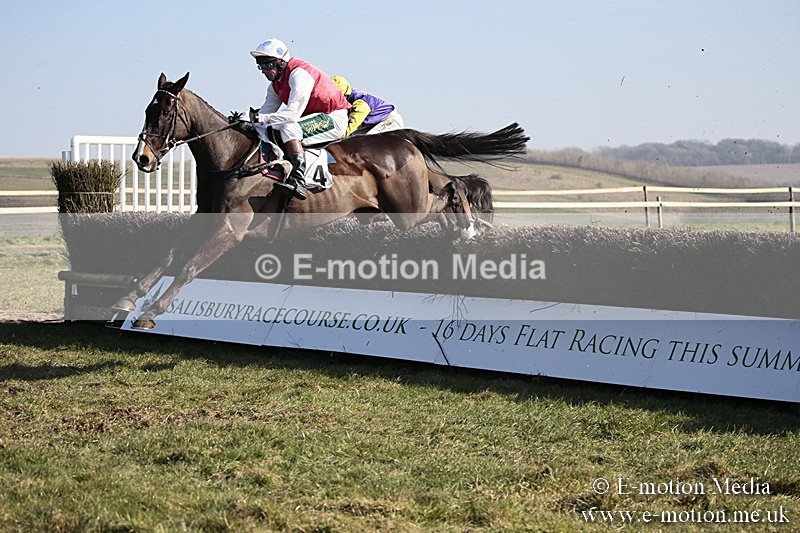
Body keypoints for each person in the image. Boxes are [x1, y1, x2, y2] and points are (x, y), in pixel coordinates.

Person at [243, 38, 350, 200]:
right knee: (264, 127)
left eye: (267, 65)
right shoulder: (275, 85)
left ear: (281, 63)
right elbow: (265, 113)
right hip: (313, 118)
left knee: (288, 128)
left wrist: (258, 118)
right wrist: (247, 120)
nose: (263, 70)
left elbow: (291, 114)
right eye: (260, 66)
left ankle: (298, 179)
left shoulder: (299, 74)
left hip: (334, 117)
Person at [330, 75, 404, 137]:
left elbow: (354, 122)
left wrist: (341, 135)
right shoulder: (350, 99)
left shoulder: (360, 103)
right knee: (352, 139)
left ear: (345, 94)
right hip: (375, 123)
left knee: (366, 141)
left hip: (389, 121)